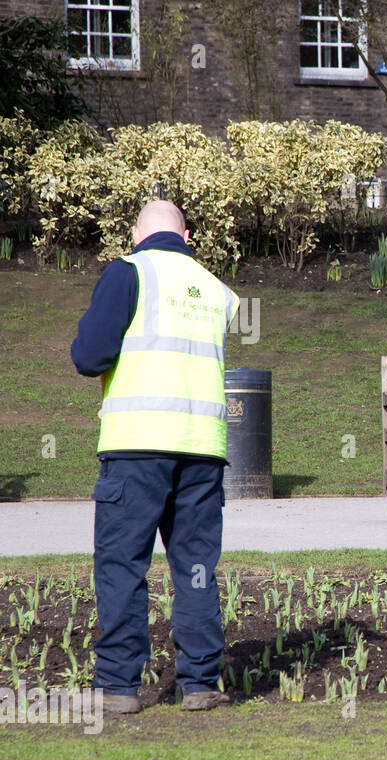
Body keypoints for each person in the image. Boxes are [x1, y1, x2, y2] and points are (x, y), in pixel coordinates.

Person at [71, 200, 238, 713]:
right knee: (195, 569)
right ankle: (201, 685)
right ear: (187, 236)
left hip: (137, 447)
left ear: (136, 234)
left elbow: (88, 356)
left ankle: (119, 688)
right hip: (202, 451)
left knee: (123, 566)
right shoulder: (217, 290)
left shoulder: (128, 272)